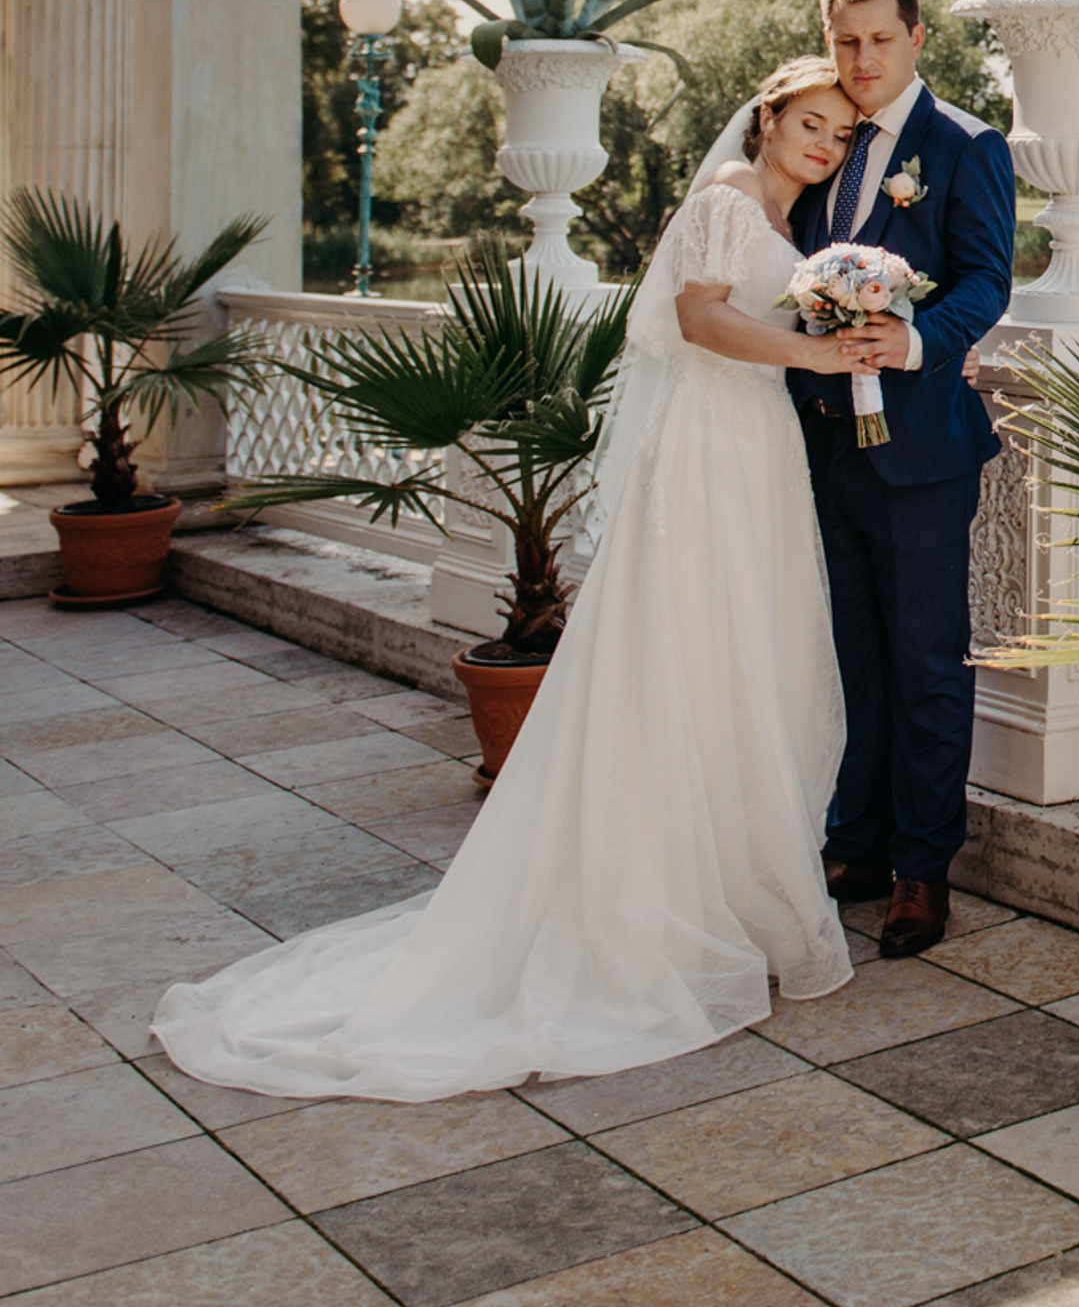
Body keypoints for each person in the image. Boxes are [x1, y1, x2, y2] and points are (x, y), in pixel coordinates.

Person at [151, 59, 881, 1101]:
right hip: (714, 446)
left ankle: (729, 887)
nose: (825, 144)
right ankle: (660, 902)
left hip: (753, 444)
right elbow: (699, 319)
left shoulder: (786, 219)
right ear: (766, 121)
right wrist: (815, 356)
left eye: (843, 134)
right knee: (695, 645)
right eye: (811, 123)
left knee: (742, 652)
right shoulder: (728, 200)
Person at [787, 0, 1017, 957]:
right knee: (853, 656)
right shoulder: (819, 141)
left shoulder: (966, 146)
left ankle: (924, 868)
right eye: (845, 41)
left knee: (926, 660)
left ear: (917, 38)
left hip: (922, 452)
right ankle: (860, 841)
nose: (862, 59)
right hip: (822, 444)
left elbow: (986, 281)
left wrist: (915, 340)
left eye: (880, 39)